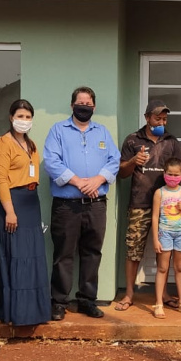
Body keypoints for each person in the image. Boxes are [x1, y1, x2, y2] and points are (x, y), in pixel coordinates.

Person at [43, 86, 121, 321]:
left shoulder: (102, 132)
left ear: (94, 107)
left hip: (96, 205)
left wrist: (98, 179)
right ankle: (59, 302)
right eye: (80, 103)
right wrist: (78, 181)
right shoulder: (58, 130)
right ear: (72, 105)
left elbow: (114, 160)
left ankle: (87, 300)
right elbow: (51, 161)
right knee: (63, 254)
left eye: (88, 104)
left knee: (92, 253)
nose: (84, 107)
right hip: (66, 206)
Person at [115, 100, 181, 311]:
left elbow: (179, 173)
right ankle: (129, 294)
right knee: (133, 250)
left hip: (167, 207)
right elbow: (121, 173)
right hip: (139, 203)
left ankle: (163, 294)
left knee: (163, 252)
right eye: (157, 118)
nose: (161, 122)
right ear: (147, 117)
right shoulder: (132, 140)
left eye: (164, 119)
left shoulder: (171, 141)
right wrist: (133, 161)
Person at [0, 99, 50, 327]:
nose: (24, 121)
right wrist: (10, 211)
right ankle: (13, 313)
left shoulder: (31, 144)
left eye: (28, 117)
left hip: (31, 203)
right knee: (15, 256)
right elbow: (0, 179)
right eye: (20, 116)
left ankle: (33, 312)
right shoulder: (3, 143)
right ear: (11, 117)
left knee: (32, 256)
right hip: (12, 203)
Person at [151, 158, 181, 318]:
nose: (173, 177)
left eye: (176, 174)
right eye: (170, 174)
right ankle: (159, 303)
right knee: (162, 268)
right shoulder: (159, 193)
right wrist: (155, 239)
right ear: (164, 173)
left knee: (180, 268)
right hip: (165, 233)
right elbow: (155, 216)